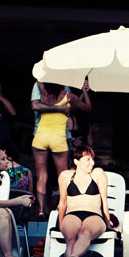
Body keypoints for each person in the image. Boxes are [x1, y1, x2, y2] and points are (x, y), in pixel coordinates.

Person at [55, 145, 114, 257]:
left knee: (85, 233)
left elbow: (104, 201)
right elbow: (62, 202)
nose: (92, 163)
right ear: (76, 161)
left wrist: (108, 225)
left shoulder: (98, 173)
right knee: (70, 238)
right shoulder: (65, 176)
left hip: (94, 216)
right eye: (88, 159)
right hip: (72, 215)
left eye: (92, 159)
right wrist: (61, 225)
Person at [31, 82, 79, 219]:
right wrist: (63, 108)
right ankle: (61, 206)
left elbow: (39, 85)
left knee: (41, 175)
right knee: (63, 175)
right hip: (58, 138)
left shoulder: (43, 94)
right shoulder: (67, 95)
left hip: (40, 137)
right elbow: (86, 107)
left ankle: (41, 210)